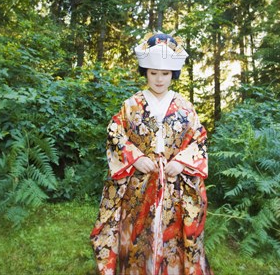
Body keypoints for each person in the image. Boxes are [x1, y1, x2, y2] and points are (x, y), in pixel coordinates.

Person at [90, 32, 213, 275]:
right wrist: (136, 157)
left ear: (173, 75)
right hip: (139, 184)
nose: (158, 79)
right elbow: (115, 134)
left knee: (173, 235)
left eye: (165, 73)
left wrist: (181, 162)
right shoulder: (131, 104)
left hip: (174, 184)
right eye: (153, 72)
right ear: (145, 72)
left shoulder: (185, 107)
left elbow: (199, 139)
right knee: (138, 234)